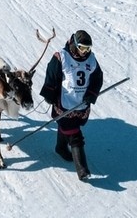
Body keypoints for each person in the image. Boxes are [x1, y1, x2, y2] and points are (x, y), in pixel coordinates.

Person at [39, 30, 104, 181]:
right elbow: (51, 77)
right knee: (75, 135)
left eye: (88, 48)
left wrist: (92, 94)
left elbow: (97, 78)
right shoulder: (61, 57)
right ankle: (82, 170)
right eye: (82, 48)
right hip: (64, 103)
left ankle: (60, 147)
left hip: (81, 104)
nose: (85, 52)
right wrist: (50, 95)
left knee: (71, 127)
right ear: (74, 44)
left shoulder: (91, 60)